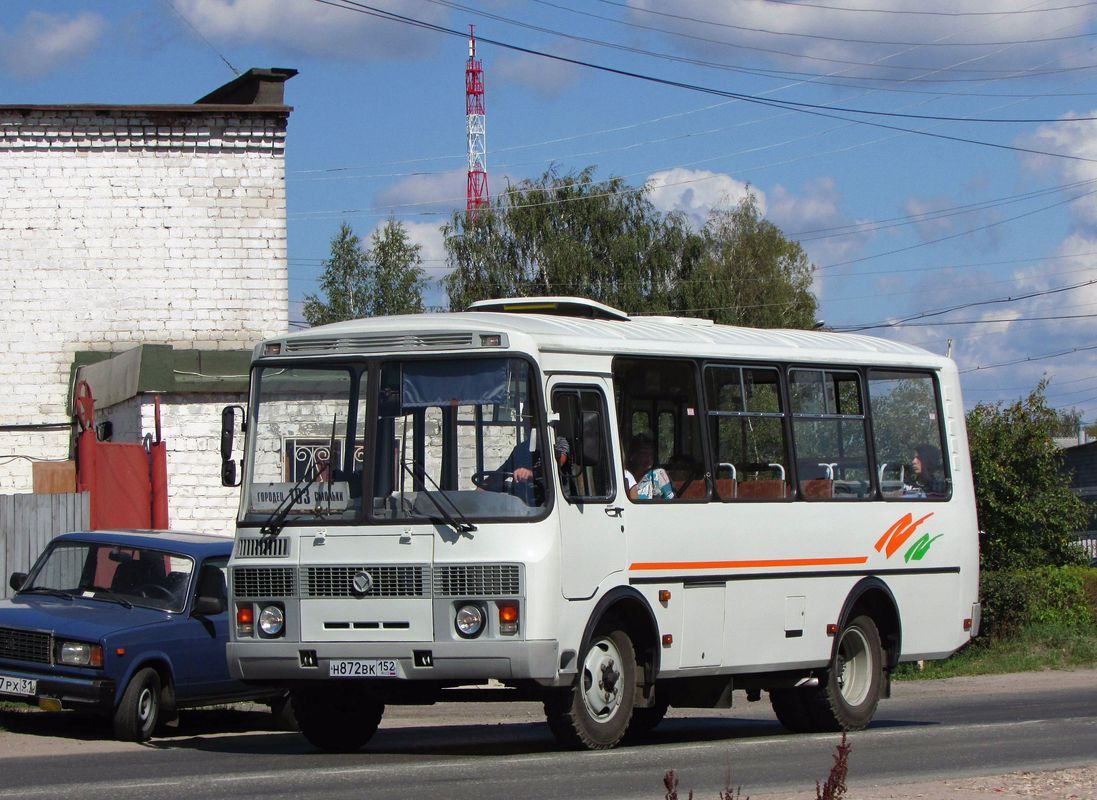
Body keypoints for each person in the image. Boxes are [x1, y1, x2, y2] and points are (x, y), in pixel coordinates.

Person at [624, 432, 674, 501]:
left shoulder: (658, 475)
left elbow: (671, 503)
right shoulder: (625, 477)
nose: (648, 458)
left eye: (651, 453)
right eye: (644, 453)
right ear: (632, 456)